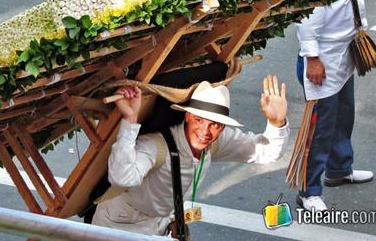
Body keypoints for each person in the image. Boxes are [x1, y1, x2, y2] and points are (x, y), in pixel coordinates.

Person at [91, 75, 289, 236]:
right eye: (199, 120)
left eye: (215, 124)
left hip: (158, 226)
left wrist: (277, 123)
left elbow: (267, 152)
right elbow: (121, 178)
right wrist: (130, 120)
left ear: (222, 128)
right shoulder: (155, 146)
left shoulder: (215, 141)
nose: (206, 131)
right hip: (118, 226)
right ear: (187, 116)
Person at [296, 0, 373, 212]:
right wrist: (312, 58)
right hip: (323, 58)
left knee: (343, 115)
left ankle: (339, 169)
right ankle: (309, 191)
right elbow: (306, 14)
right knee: (320, 128)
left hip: (345, 52)